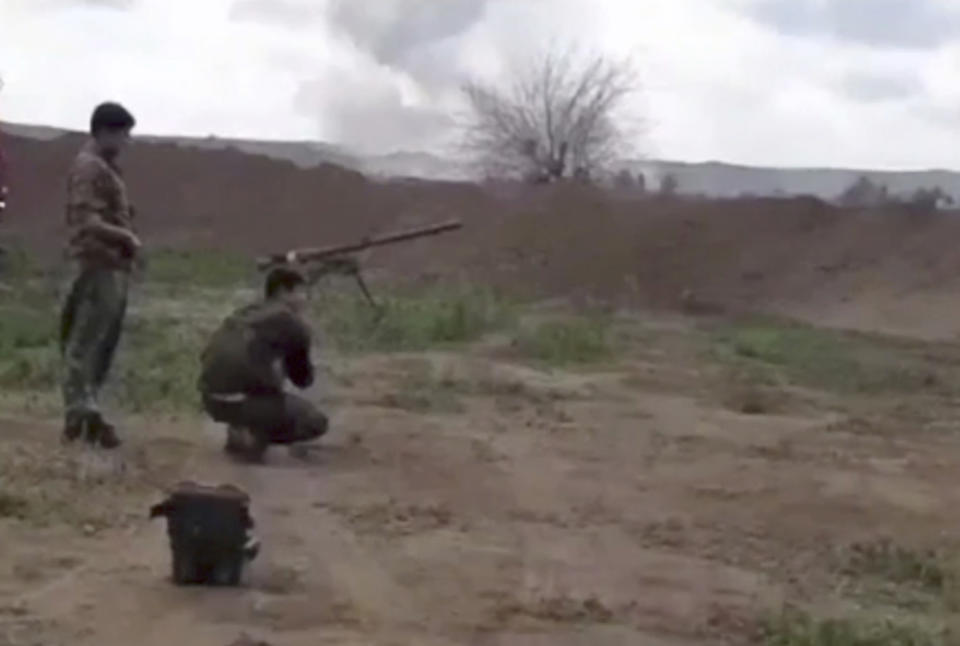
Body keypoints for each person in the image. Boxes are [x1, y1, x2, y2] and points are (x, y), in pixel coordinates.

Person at [60, 102, 141, 448]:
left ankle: (88, 413)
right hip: (96, 265)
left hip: (113, 266)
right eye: (123, 134)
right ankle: (81, 416)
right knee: (86, 342)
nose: (126, 141)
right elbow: (87, 221)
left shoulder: (106, 168)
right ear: (106, 131)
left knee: (101, 345)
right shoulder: (88, 168)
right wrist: (126, 237)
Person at [198, 266, 328, 462]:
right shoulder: (290, 322)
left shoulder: (245, 312)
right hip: (246, 403)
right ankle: (252, 435)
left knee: (262, 386)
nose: (306, 299)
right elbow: (302, 380)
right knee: (314, 421)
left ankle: (241, 428)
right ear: (284, 292)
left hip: (211, 400)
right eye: (301, 292)